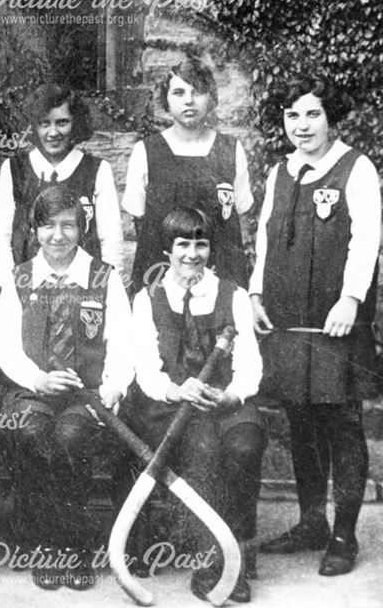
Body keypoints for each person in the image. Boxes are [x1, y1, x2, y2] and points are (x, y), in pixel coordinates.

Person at [251, 77, 381, 577]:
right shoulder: (280, 173)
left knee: (342, 424)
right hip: (287, 319)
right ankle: (311, 523)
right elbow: (264, 240)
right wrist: (259, 293)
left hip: (336, 318)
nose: (301, 126)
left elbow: (365, 240)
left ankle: (344, 536)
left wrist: (350, 298)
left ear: (330, 119)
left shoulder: (355, 167)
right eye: (292, 116)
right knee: (300, 421)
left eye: (311, 115)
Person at [0, 187, 132, 591]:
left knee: (70, 437)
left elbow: (121, 344)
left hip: (85, 393)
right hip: (32, 389)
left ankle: (73, 547)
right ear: (34, 230)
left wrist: (114, 386)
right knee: (31, 432)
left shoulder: (103, 278)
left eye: (68, 225)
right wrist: (37, 378)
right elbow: (5, 348)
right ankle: (46, 543)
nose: (58, 235)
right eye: (48, 225)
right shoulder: (19, 278)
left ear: (82, 229)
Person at [128, 207, 264, 603]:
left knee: (244, 444)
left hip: (226, 401)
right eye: (182, 244)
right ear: (167, 251)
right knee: (201, 449)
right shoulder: (147, 298)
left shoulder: (232, 295)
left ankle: (239, 552)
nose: (192, 253)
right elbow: (146, 371)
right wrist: (175, 390)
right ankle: (210, 560)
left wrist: (231, 395)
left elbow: (250, 364)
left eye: (200, 244)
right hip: (171, 406)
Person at [122, 57, 253, 293]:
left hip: (221, 278)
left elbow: (239, 210)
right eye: (179, 92)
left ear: (211, 98)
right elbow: (139, 213)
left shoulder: (230, 150)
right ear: (166, 101)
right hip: (160, 276)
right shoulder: (147, 151)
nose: (189, 101)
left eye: (198, 92)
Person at [0, 83, 125, 291]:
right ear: (34, 126)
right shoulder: (15, 169)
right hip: (27, 290)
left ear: (76, 123)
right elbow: (0, 238)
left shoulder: (97, 170)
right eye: (44, 123)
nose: (53, 132)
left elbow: (111, 243)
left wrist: (107, 289)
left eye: (62, 123)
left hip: (84, 291)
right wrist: (13, 289)